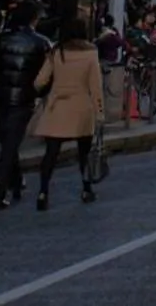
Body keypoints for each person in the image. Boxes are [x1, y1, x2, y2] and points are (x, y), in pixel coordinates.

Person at [0, 0, 51, 210]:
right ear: (34, 19)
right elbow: (48, 74)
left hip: (0, 96)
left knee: (8, 141)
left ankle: (15, 182)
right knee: (10, 144)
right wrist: (39, 92)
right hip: (23, 99)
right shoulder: (41, 43)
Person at [32, 16, 105, 211]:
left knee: (51, 154)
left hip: (58, 106)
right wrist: (100, 113)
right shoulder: (90, 53)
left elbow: (39, 81)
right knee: (84, 154)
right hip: (82, 106)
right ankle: (86, 189)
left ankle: (43, 192)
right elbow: (95, 86)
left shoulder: (57, 51)